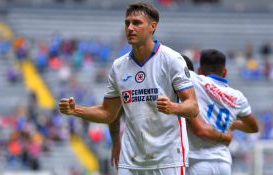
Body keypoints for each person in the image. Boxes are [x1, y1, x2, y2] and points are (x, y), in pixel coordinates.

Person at [59, 2, 199, 175]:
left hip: (168, 159)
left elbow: (193, 107)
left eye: (136, 23)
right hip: (130, 161)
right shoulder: (119, 66)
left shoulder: (172, 60)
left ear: (152, 26)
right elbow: (108, 113)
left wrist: (174, 107)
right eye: (127, 23)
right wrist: (75, 110)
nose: (130, 28)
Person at [185, 49, 259, 175]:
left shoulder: (196, 81)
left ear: (199, 70)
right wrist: (232, 124)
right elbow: (253, 127)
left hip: (198, 161)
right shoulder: (238, 96)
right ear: (224, 72)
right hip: (224, 163)